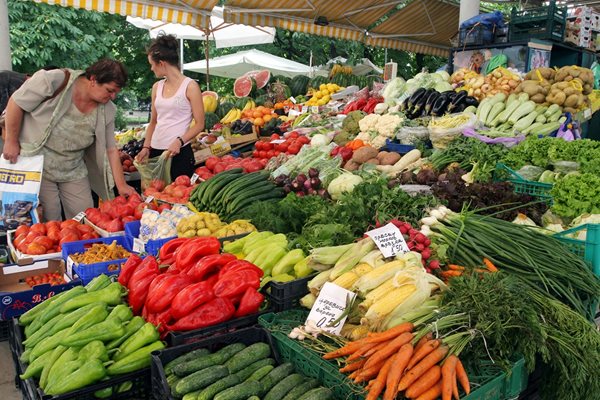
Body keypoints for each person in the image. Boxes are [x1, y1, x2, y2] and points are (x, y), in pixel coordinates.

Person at [2, 59, 137, 221]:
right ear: (93, 79)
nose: (113, 97)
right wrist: (11, 140)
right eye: (109, 90)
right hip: (38, 164)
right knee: (50, 218)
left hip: (73, 168)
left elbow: (111, 149)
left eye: (116, 92)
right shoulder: (54, 80)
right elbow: (16, 102)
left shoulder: (107, 110)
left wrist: (121, 185)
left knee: (85, 216)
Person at [135, 34, 204, 180]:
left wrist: (179, 141)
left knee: (178, 197)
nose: (151, 69)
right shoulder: (156, 87)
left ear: (161, 63)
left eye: (152, 64)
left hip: (179, 153)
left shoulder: (190, 86)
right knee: (156, 197)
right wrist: (146, 147)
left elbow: (200, 124)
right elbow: (153, 121)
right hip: (155, 152)